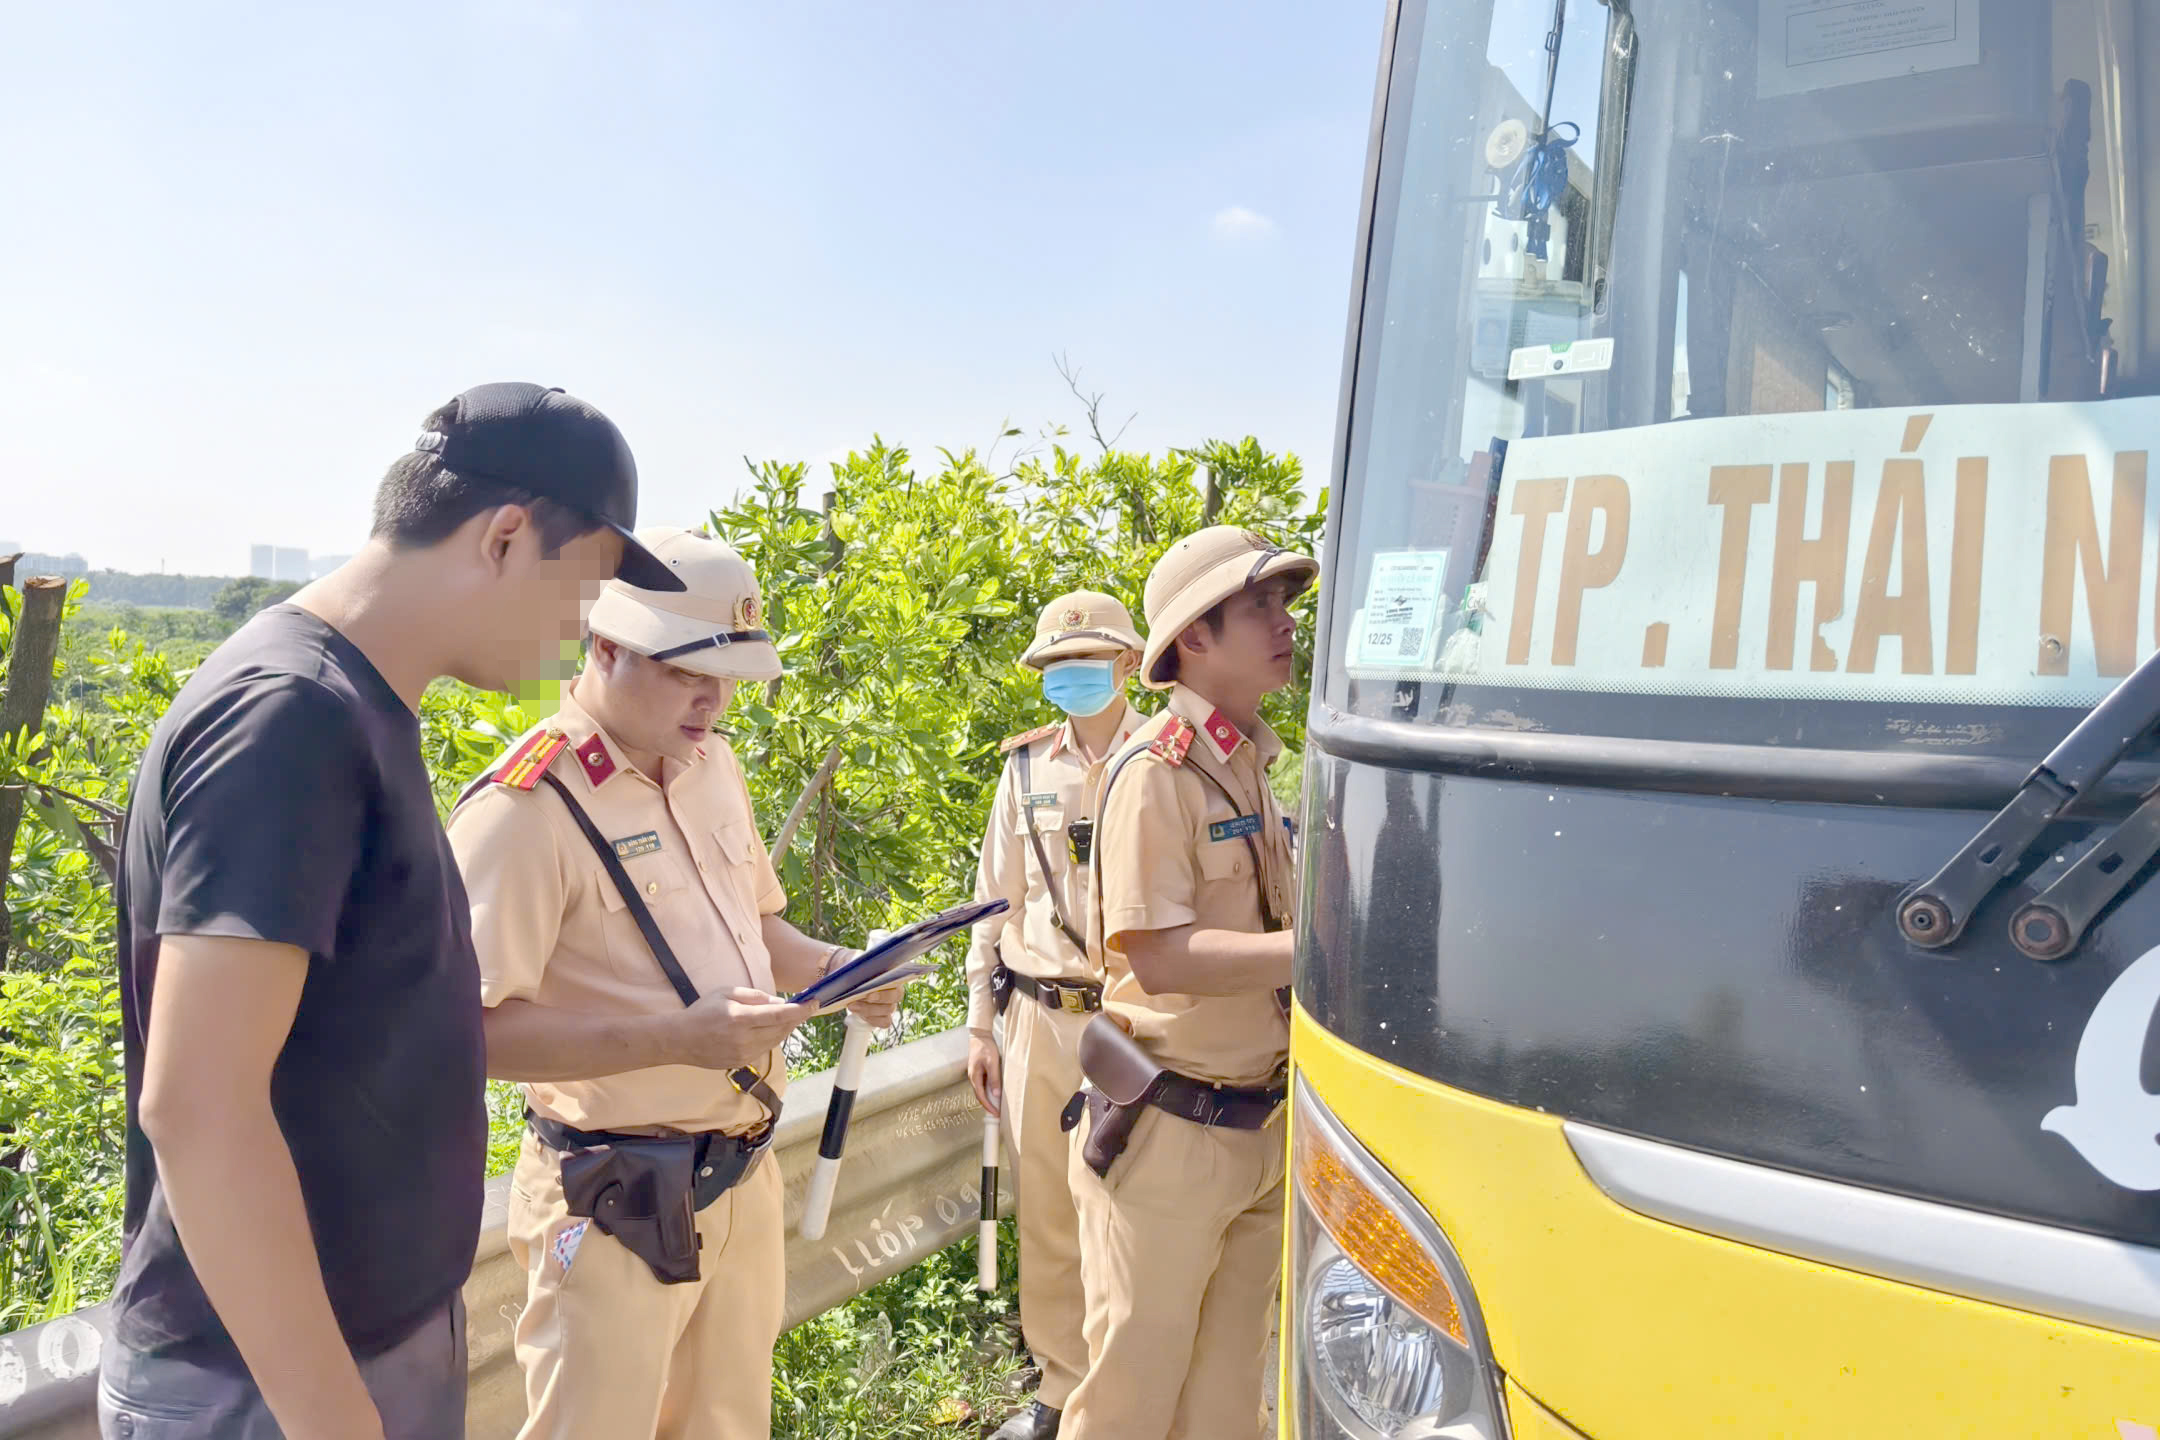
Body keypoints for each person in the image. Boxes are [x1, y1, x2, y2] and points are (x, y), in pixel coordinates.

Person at [99, 383, 679, 1440]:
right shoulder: (292, 716)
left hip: (353, 1350)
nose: (589, 627)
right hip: (273, 1385)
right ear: (506, 538)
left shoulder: (362, 707)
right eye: (585, 588)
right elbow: (200, 1105)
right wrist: (332, 1418)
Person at [445, 527, 905, 1440]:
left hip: (739, 1174)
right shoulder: (525, 809)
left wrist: (837, 973)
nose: (715, 699)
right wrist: (675, 1040)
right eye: (690, 671)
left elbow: (759, 926)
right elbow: (465, 1033)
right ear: (606, 646)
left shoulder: (710, 766)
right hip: (614, 1199)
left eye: (729, 674)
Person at [1060, 526, 1315, 1440]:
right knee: (1130, 1400)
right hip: (1170, 1130)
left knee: (1223, 1409)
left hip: (1257, 1121)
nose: (1285, 623)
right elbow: (1157, 958)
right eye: (1259, 607)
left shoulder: (1253, 759)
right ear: (1194, 639)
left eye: (1283, 603)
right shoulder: (1153, 771)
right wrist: (1325, 953)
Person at [966, 592, 1147, 1440]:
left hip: (1137, 1020)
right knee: (1046, 1211)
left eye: (1089, 661)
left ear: (1129, 664)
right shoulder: (1026, 769)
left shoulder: (1163, 757)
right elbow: (992, 906)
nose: (1071, 678)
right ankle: (1060, 1388)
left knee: (1138, 1207)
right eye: (1056, 669)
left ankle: (1129, 1391)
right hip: (1040, 1017)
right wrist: (979, 1024)